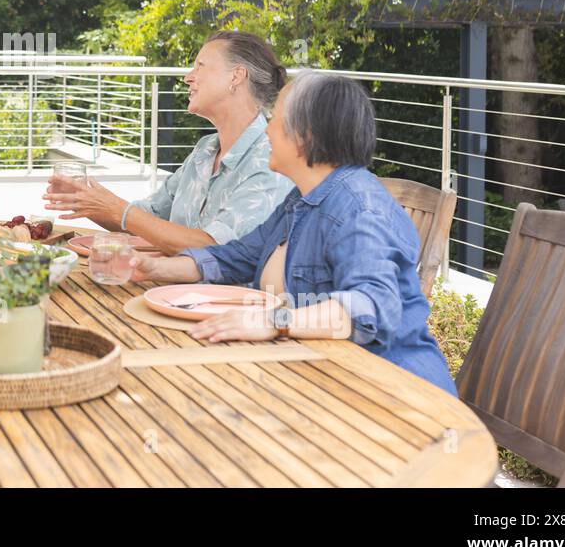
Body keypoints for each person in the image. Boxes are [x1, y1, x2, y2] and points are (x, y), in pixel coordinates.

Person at [129, 71, 457, 394]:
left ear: (305, 134)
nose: (267, 128)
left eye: (275, 118)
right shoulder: (301, 197)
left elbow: (369, 307)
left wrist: (273, 321)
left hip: (395, 396)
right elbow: (239, 256)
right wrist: (153, 268)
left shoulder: (360, 210)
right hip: (316, 378)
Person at [44, 31, 293, 254]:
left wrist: (115, 208)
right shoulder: (205, 151)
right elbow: (150, 219)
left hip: (229, 302)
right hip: (173, 290)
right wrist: (89, 202)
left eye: (200, 66)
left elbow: (217, 249)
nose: (188, 77)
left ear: (237, 76)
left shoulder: (270, 159)